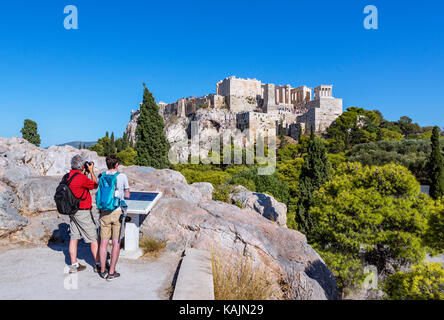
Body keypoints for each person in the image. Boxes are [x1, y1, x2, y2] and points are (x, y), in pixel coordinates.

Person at [98, 155, 130, 281]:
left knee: (103, 243)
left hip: (104, 212)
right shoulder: (122, 176)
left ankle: (102, 271)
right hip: (117, 212)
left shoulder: (102, 176)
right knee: (116, 243)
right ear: (116, 164)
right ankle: (111, 272)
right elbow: (127, 194)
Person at [67, 154, 101, 273]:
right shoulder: (81, 178)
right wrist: (91, 171)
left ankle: (74, 264)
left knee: (74, 237)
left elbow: (80, 186)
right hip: (82, 212)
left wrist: (84, 173)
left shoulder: (67, 176)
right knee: (93, 238)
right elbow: (95, 185)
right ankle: (98, 264)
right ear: (82, 165)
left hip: (72, 211)